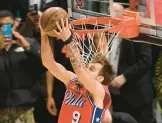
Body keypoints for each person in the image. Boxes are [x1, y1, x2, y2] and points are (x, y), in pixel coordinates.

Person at [40, 18, 113, 123]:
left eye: (91, 69)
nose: (86, 68)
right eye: (88, 66)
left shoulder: (99, 90)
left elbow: (81, 72)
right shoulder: (72, 80)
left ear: (100, 78)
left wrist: (68, 40)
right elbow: (48, 62)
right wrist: (43, 34)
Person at [0, 10, 45, 123]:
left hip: (25, 109)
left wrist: (28, 47)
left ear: (16, 23)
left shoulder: (28, 43)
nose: (4, 29)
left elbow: (45, 66)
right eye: (1, 26)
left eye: (8, 25)